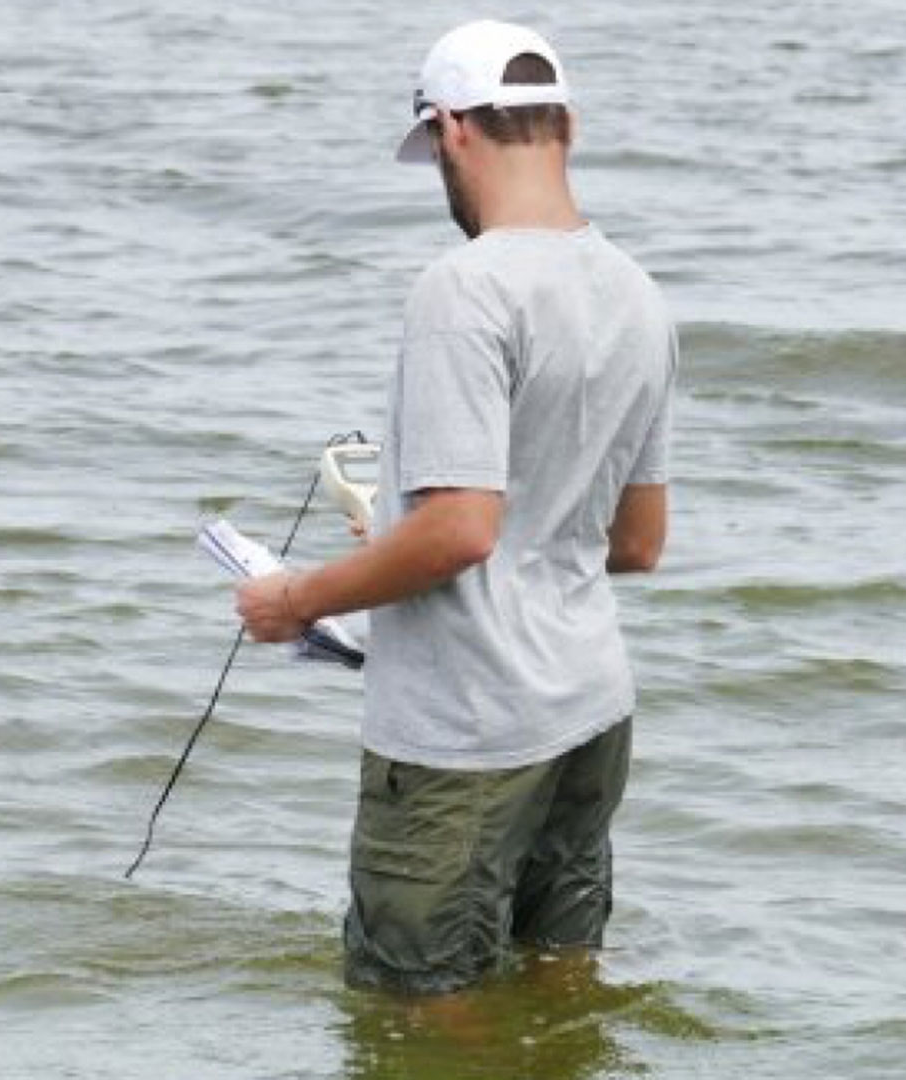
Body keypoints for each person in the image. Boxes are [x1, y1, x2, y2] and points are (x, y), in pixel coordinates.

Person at [236, 19, 676, 997]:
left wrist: (298, 598)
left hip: (464, 731)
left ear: (452, 130)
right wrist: (397, 546)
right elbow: (637, 542)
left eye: (433, 143)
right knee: (557, 982)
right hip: (590, 713)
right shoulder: (637, 294)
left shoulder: (463, 289)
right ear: (565, 126)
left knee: (417, 1011)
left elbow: (462, 530)